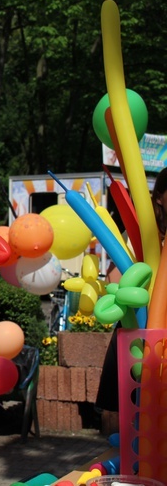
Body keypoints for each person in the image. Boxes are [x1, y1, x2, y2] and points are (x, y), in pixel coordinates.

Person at [96, 165, 167, 417]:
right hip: (142, 330)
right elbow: (113, 278)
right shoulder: (143, 232)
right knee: (141, 412)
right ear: (159, 196)